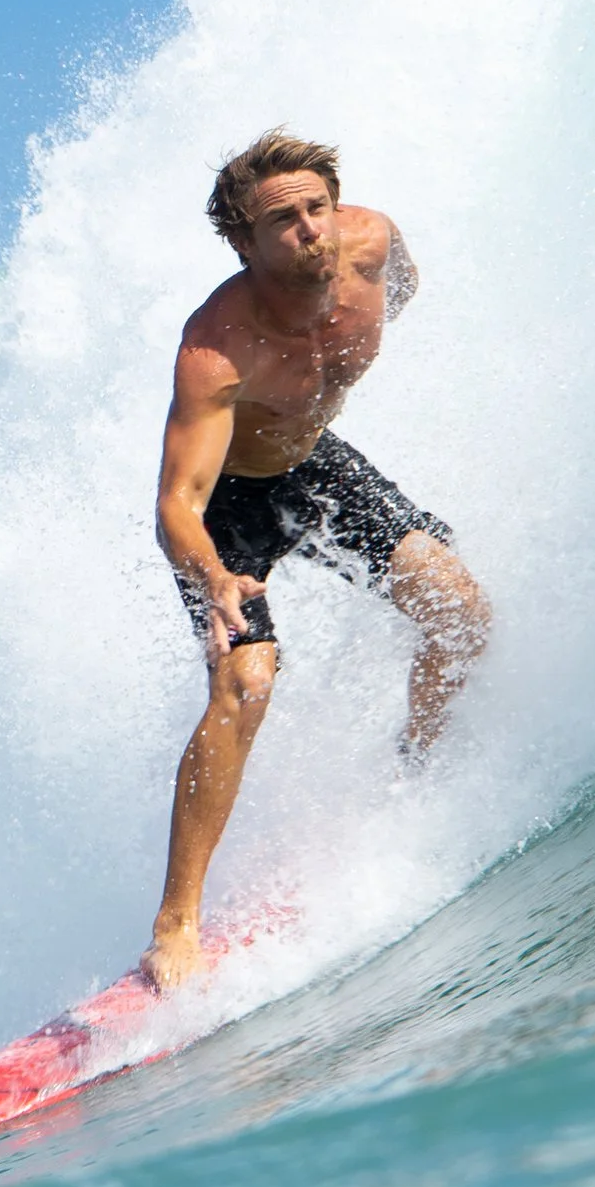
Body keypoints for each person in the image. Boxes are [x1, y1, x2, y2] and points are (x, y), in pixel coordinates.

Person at [144, 127, 489, 989]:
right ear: (244, 242)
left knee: (461, 613)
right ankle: (176, 923)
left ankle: (417, 776)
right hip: (229, 506)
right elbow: (175, 507)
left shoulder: (374, 248)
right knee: (246, 680)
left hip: (314, 467)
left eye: (317, 208)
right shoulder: (217, 348)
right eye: (284, 220)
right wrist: (217, 579)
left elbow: (401, 285)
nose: (311, 229)